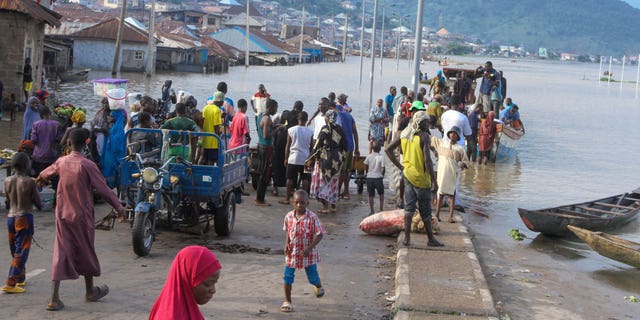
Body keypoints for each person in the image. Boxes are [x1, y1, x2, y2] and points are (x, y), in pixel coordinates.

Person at [36, 128, 125, 311]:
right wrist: (119, 207)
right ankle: (90, 291)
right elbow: (104, 190)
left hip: (62, 214)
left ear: (69, 143)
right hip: (82, 216)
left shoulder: (62, 161)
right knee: (86, 250)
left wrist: (39, 180)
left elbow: (44, 174)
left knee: (60, 253)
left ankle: (54, 298)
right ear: (87, 142)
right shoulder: (87, 165)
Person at [386, 111, 442, 247]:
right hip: (421, 178)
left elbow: (388, 149)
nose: (428, 124)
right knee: (425, 210)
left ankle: (407, 238)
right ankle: (430, 239)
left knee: (409, 208)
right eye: (426, 121)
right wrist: (434, 182)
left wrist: (401, 166)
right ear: (420, 122)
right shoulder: (424, 137)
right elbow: (428, 161)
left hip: (407, 174)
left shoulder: (404, 134)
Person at [2, 152, 41, 294]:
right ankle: (11, 283)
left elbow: (8, 201)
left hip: (11, 217)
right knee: (21, 251)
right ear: (26, 165)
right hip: (24, 218)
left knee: (15, 249)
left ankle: (20, 278)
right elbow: (38, 203)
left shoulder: (7, 180)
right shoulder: (30, 181)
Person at [281, 189, 326, 313]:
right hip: (292, 253)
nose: (299, 205)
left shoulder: (312, 217)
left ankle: (318, 286)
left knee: (313, 278)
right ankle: (287, 301)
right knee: (287, 277)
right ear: (292, 203)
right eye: (297, 202)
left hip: (308, 254)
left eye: (302, 203)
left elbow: (320, 234)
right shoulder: (289, 216)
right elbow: (288, 231)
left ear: (307, 203)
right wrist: (286, 243)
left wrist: (309, 248)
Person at [149, 245, 222, 320]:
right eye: (207, 284)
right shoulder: (172, 316)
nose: (213, 290)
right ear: (188, 279)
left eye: (214, 283)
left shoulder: (180, 308)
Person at [308, 106, 346, 214]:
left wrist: (310, 157)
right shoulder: (340, 130)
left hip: (325, 158)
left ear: (327, 118)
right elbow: (345, 146)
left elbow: (317, 145)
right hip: (337, 159)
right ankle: (333, 205)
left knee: (323, 181)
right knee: (333, 181)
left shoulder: (325, 129)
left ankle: (325, 206)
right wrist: (341, 158)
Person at [440, 94, 472, 211]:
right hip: (458, 148)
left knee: (444, 172)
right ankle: (455, 201)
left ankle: (441, 199)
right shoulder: (463, 117)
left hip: (444, 146)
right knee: (456, 175)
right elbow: (468, 133)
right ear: (460, 105)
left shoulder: (444, 115)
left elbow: (443, 128)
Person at [432, 126, 469, 223]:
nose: (453, 135)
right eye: (451, 133)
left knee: (452, 194)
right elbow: (432, 141)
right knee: (441, 194)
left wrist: (463, 165)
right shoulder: (442, 144)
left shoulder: (460, 148)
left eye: (455, 134)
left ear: (458, 137)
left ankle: (451, 216)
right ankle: (437, 214)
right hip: (442, 173)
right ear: (448, 134)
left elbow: (465, 160)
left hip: (452, 173)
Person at [281, 111, 313, 204]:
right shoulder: (310, 131)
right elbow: (311, 146)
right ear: (306, 120)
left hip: (293, 157)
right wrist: (311, 158)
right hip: (305, 158)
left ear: (298, 119)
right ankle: (305, 200)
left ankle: (287, 198)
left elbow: (288, 145)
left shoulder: (291, 130)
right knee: (305, 179)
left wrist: (286, 158)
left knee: (289, 179)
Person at [255, 99, 278, 207]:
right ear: (272, 107)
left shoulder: (260, 115)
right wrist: (276, 131)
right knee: (265, 174)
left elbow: (261, 128)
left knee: (262, 172)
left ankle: (260, 198)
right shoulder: (267, 119)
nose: (276, 110)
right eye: (276, 108)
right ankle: (260, 200)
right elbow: (266, 135)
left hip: (260, 145)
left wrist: (274, 127)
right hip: (266, 147)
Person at [30, 106, 63, 178]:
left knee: (38, 179)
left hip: (38, 156)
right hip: (52, 156)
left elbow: (33, 140)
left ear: (40, 114)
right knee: (51, 178)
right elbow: (59, 139)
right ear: (50, 113)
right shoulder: (57, 124)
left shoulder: (36, 124)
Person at [337, 103, 358, 200]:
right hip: (350, 146)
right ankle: (346, 191)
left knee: (341, 170)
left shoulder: (338, 116)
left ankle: (338, 192)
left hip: (343, 147)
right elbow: (355, 132)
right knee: (346, 171)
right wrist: (357, 147)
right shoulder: (350, 117)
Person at [200, 92, 223, 165]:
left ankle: (202, 174)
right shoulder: (216, 110)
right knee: (212, 160)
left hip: (205, 139)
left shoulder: (205, 108)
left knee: (204, 159)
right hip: (213, 141)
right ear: (220, 101)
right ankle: (210, 175)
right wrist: (219, 140)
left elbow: (203, 122)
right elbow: (216, 127)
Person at [364, 141, 385, 215]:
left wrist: (367, 173)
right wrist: (382, 175)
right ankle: (381, 208)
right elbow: (383, 168)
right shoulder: (381, 157)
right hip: (378, 177)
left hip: (370, 178)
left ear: (372, 148)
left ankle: (372, 210)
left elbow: (366, 165)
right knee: (381, 194)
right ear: (380, 149)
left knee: (371, 195)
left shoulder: (369, 156)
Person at [271, 112, 289, 196]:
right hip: (279, 151)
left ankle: (276, 188)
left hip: (280, 151)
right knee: (278, 170)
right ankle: (276, 187)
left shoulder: (286, 129)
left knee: (279, 170)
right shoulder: (279, 128)